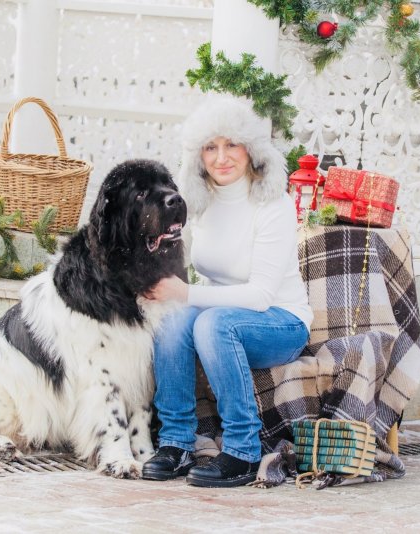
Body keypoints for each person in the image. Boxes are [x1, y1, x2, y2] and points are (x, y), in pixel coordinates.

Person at [141, 97, 313, 488]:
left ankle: (242, 450)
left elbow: (259, 296)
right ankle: (177, 442)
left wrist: (185, 294)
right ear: (198, 155)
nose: (221, 158)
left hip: (280, 322)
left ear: (250, 148)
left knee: (210, 322)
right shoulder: (198, 202)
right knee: (175, 319)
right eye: (210, 147)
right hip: (218, 316)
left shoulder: (274, 204)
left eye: (231, 144)